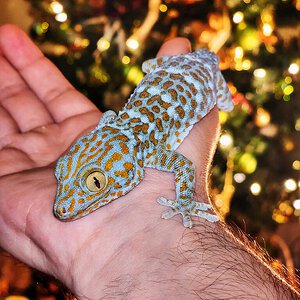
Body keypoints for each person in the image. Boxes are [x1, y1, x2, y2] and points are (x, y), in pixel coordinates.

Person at [0, 24, 299, 300]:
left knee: (224, 103)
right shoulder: (121, 134)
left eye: (95, 182)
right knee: (152, 68)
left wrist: (184, 201)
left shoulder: (148, 149)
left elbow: (183, 166)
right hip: (173, 71)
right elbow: (109, 121)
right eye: (65, 170)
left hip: (204, 71)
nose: (63, 203)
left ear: (129, 169)